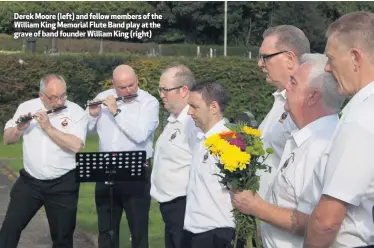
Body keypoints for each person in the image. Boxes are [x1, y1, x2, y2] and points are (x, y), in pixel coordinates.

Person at [230, 54, 346, 248]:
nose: (286, 88)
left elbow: (315, 222)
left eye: (293, 82)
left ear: (312, 97)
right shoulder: (303, 137)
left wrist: (255, 206)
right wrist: (267, 230)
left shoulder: (321, 147)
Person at [303, 11, 374, 248]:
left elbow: (327, 220)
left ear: (355, 57)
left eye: (331, 59)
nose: (327, 68)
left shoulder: (362, 118)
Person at [0, 74, 88, 248]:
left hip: (63, 184)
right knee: (9, 229)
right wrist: (18, 128)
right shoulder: (27, 107)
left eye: (63, 95)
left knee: (62, 238)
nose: (59, 101)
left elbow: (76, 145)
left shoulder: (76, 111)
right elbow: (7, 140)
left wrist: (48, 127)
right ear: (42, 96)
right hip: (30, 182)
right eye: (54, 97)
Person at [87, 65, 159, 248]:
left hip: (136, 169)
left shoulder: (149, 103)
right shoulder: (102, 97)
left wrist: (116, 112)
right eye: (122, 87)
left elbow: (140, 134)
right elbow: (85, 132)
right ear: (113, 85)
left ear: (137, 80)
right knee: (106, 228)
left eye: (132, 85)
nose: (128, 90)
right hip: (106, 169)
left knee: (138, 228)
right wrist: (93, 116)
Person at [182, 81, 244, 248]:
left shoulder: (229, 142)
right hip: (195, 231)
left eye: (194, 106)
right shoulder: (202, 137)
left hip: (217, 235)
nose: (189, 112)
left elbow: (241, 192)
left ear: (214, 107)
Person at [257, 25, 310, 198]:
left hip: (287, 217)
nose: (260, 64)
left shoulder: (306, 105)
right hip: (268, 215)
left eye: (265, 57)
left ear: (289, 58)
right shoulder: (280, 100)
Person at [150, 65, 197, 248]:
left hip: (184, 207)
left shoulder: (193, 122)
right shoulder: (174, 119)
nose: (161, 94)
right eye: (160, 89)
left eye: (165, 89)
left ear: (184, 90)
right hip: (170, 207)